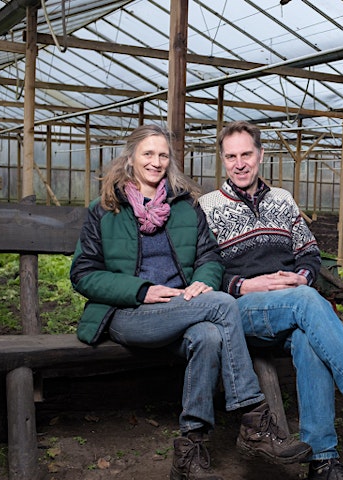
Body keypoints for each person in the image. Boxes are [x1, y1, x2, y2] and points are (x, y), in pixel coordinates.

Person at [69, 124, 311, 480]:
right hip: (129, 313)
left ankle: (190, 447)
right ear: (131, 158)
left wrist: (203, 281)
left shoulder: (184, 206)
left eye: (163, 155)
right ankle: (255, 421)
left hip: (184, 306)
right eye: (148, 154)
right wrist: (141, 291)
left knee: (210, 337)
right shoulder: (105, 210)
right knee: (223, 306)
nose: (156, 162)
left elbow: (210, 257)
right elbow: (83, 273)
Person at [199, 120, 343, 480]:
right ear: (223, 160)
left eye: (246, 153)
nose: (240, 163)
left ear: (260, 155)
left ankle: (322, 462)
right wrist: (246, 286)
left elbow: (309, 253)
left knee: (310, 338)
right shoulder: (208, 207)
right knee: (307, 302)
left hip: (292, 306)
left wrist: (302, 277)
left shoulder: (282, 200)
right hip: (241, 312)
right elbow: (203, 270)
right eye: (231, 156)